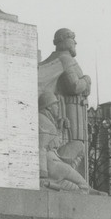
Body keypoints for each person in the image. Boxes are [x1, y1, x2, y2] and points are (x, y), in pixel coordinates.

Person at [38, 28, 92, 181]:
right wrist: (87, 80)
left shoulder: (61, 58)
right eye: (72, 38)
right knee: (77, 144)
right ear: (63, 40)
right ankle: (70, 178)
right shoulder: (66, 59)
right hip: (71, 109)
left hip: (69, 108)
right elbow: (74, 86)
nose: (75, 42)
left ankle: (73, 178)